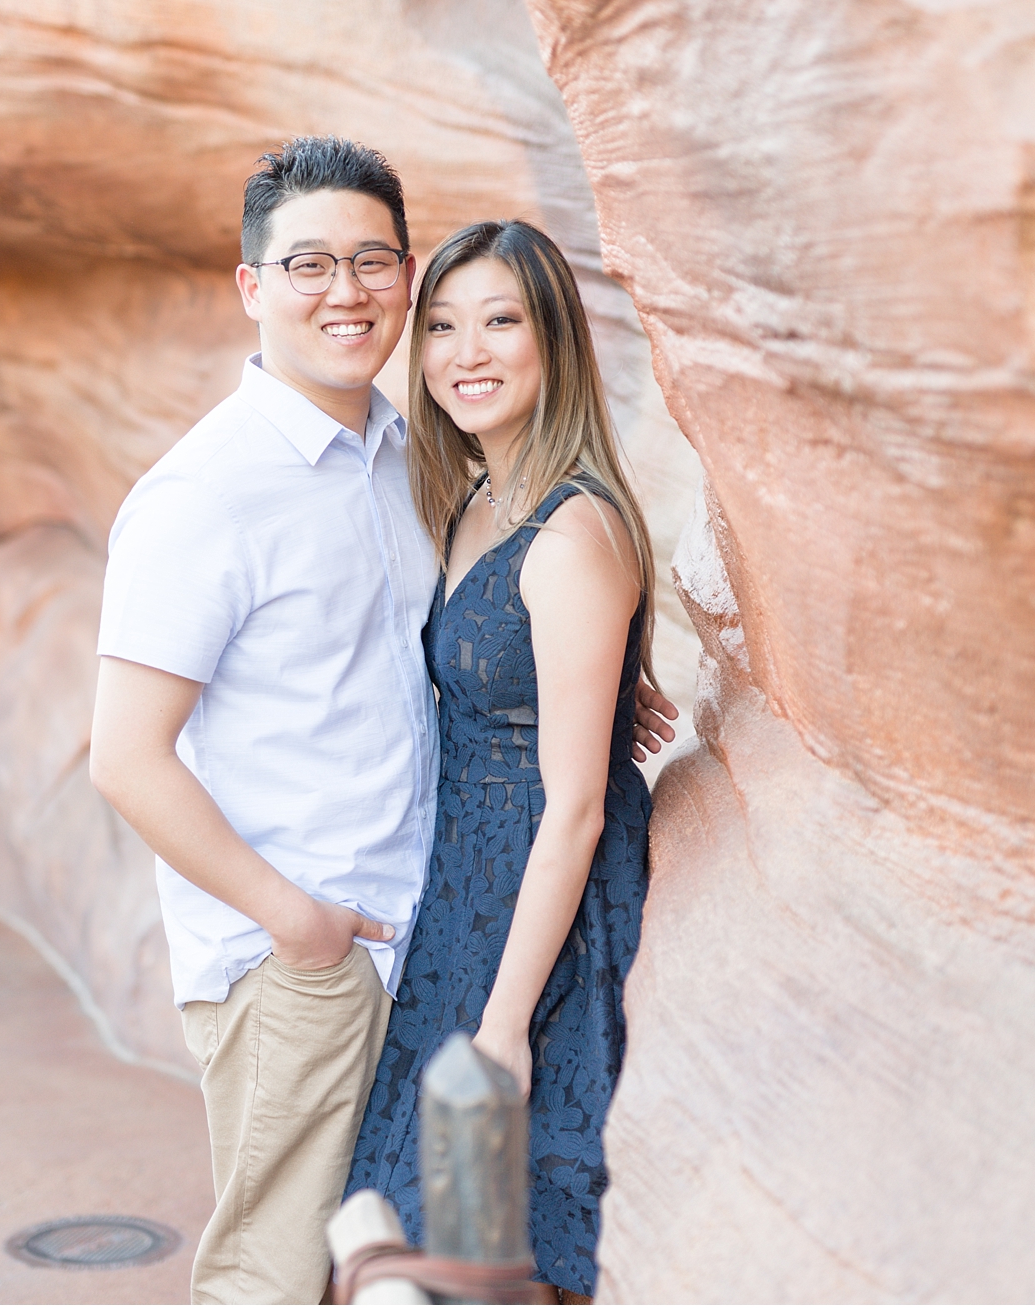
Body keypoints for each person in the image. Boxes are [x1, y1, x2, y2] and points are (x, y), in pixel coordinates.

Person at [90, 138, 678, 1305]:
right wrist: (293, 924)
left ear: (400, 277)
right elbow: (124, 756)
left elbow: (485, 643)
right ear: (253, 286)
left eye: (370, 260)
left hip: (431, 926)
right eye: (307, 263)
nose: (344, 290)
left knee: (393, 1255)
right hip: (304, 948)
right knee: (278, 1271)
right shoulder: (202, 495)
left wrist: (599, 685)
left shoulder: (410, 463)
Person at [346, 220, 657, 1305]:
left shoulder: (571, 533)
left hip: (535, 909)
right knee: (391, 1215)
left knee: (475, 1239)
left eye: (497, 320)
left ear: (552, 340)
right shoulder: (478, 496)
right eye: (439, 325)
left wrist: (506, 1022)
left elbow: (574, 808)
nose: (462, 351)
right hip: (460, 892)